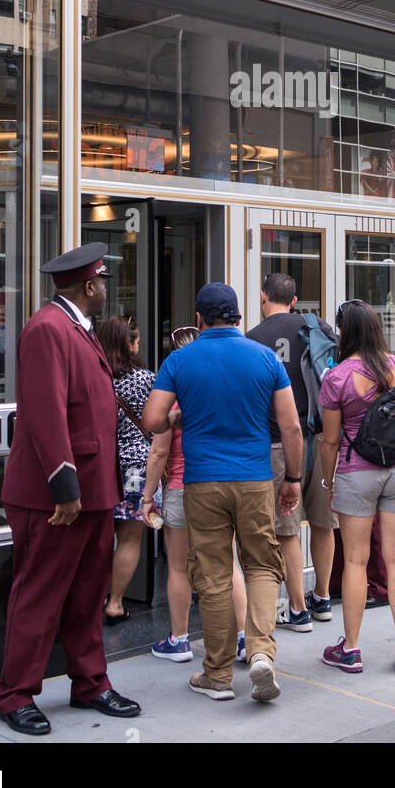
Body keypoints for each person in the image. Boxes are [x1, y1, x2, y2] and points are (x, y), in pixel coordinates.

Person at [0, 243, 140, 735]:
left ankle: (90, 683)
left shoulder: (78, 327)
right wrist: (63, 484)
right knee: (39, 593)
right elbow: (44, 411)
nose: (106, 289)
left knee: (85, 595)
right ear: (90, 286)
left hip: (94, 490)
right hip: (56, 494)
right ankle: (14, 694)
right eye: (103, 282)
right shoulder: (47, 328)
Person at [141, 283, 303, 704]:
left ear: (199, 319)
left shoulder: (180, 359)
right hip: (254, 479)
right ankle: (262, 653)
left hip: (202, 482)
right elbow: (291, 427)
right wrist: (293, 479)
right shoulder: (265, 357)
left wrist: (178, 416)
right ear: (237, 317)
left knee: (212, 575)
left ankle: (216, 676)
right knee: (263, 566)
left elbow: (152, 420)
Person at [317, 300, 395, 676]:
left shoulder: (337, 377)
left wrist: (329, 482)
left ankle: (352, 649)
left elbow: (329, 442)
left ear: (346, 333)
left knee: (356, 561)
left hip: (355, 472)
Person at [142, 324, 249, 662]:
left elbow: (159, 452)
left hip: (180, 489)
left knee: (178, 567)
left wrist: (147, 497)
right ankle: (244, 637)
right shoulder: (223, 385)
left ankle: (180, 639)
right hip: (220, 483)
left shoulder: (174, 390)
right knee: (228, 563)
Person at [246, 272, 338, 630]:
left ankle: (298, 608)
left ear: (262, 297)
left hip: (278, 442)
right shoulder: (318, 330)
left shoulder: (253, 339)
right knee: (323, 522)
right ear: (295, 300)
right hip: (323, 439)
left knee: (286, 528)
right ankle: (323, 598)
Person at [97, 315, 157, 625]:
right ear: (128, 343)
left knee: (98, 537)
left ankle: (91, 601)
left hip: (102, 465)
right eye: (135, 340)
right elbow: (157, 421)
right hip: (137, 465)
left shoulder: (96, 377)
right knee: (130, 538)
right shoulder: (146, 379)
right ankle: (115, 603)